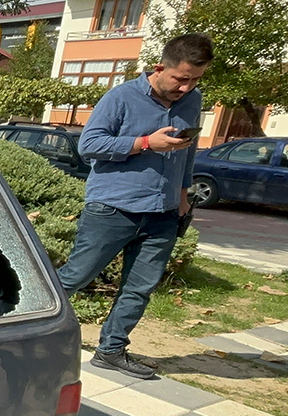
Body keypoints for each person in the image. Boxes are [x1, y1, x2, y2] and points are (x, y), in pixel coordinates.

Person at [59, 33, 214, 379]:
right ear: (161, 68)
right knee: (75, 277)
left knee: (140, 287)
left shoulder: (192, 100)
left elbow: (188, 149)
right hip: (113, 208)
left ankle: (112, 349)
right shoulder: (121, 97)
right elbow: (90, 145)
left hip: (163, 212)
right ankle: (19, 327)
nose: (187, 88)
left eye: (196, 80)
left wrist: (183, 197)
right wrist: (145, 143)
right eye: (181, 78)